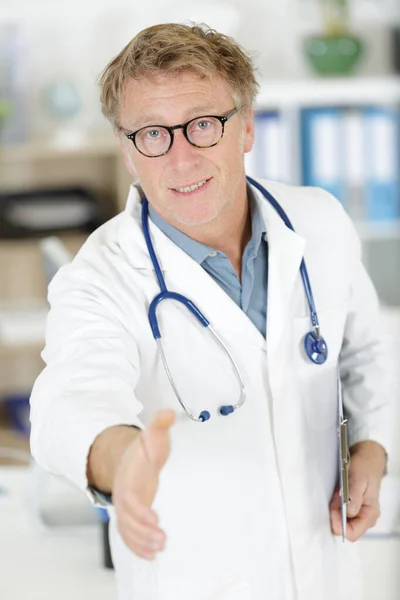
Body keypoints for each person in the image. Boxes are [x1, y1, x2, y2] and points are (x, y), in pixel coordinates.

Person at [30, 23, 390, 600]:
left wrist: (371, 447)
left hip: (327, 576)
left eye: (202, 125)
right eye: (152, 134)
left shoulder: (319, 222)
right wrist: (122, 465)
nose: (179, 158)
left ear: (246, 126)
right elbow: (68, 401)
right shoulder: (98, 279)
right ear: (127, 149)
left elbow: (366, 351)